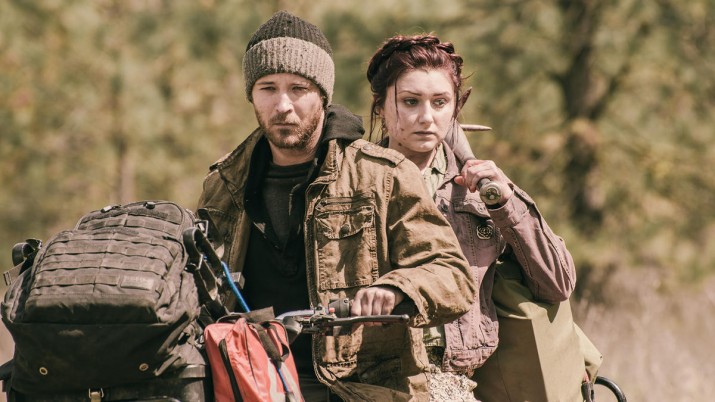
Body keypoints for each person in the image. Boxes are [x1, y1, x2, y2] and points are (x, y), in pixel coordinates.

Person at [196, 12, 477, 402]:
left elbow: (453, 275)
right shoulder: (225, 183)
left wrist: (397, 288)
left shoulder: (382, 175)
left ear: (323, 94)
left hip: (357, 388)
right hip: (248, 382)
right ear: (251, 94)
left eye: (298, 88)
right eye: (268, 88)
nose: (282, 105)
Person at [366, 34, 593, 401]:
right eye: (410, 102)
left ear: (455, 108)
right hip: (373, 379)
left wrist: (505, 202)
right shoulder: (353, 185)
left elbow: (557, 283)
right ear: (380, 107)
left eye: (440, 102)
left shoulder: (479, 190)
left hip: (457, 382)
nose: (426, 117)